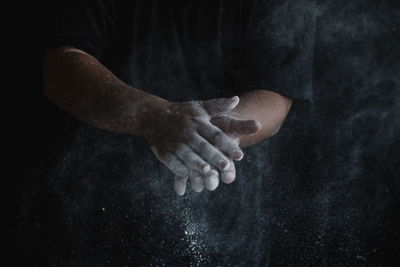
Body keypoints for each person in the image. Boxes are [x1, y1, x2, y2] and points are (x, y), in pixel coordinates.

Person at [38, 0, 315, 264]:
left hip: (225, 216)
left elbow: (275, 92)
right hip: (96, 209)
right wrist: (154, 116)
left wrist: (208, 137)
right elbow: (62, 66)